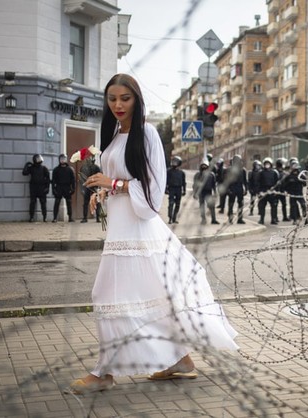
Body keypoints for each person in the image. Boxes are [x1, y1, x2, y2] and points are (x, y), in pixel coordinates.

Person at [66, 74, 237, 395]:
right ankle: (181, 361)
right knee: (151, 298)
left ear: (137, 100)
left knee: (109, 296)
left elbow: (152, 191)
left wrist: (112, 185)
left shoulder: (147, 134)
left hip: (139, 232)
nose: (117, 104)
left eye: (125, 98)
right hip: (122, 230)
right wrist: (102, 192)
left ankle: (104, 372)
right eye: (112, 98)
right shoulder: (116, 135)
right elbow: (121, 180)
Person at [22, 154, 50, 222]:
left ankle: (45, 217)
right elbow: (24, 173)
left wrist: (47, 187)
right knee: (32, 203)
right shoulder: (32, 168)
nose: (39, 160)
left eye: (39, 159)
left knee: (43, 203)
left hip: (42, 188)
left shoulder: (44, 168)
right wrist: (26, 165)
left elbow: (48, 179)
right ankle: (31, 217)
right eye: (38, 159)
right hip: (33, 188)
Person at [193, 159, 220, 225]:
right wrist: (195, 193)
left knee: (211, 206)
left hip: (209, 192)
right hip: (201, 192)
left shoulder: (211, 175)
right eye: (202, 166)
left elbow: (214, 185)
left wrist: (215, 192)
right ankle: (203, 219)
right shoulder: (198, 175)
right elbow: (195, 185)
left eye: (205, 166)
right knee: (202, 206)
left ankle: (213, 219)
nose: (204, 168)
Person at [51, 153, 75, 222]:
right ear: (59, 160)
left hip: (67, 187)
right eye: (61, 159)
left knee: (69, 202)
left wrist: (73, 188)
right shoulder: (56, 170)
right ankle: (55, 218)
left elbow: (73, 180)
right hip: (59, 187)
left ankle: (70, 217)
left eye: (64, 159)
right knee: (57, 202)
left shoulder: (70, 169)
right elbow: (53, 181)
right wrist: (53, 189)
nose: (62, 160)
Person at [256, 157, 279, 225]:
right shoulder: (261, 173)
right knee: (262, 206)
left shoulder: (274, 173)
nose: (267, 165)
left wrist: (276, 191)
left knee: (274, 206)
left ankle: (273, 219)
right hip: (263, 191)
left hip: (271, 191)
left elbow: (276, 183)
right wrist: (259, 192)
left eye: (268, 164)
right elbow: (258, 183)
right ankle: (261, 219)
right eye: (266, 164)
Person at [80, 156, 103, 223]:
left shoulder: (96, 167)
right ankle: (85, 217)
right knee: (85, 203)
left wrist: (99, 187)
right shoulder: (83, 168)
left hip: (95, 187)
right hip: (87, 187)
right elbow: (81, 178)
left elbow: (100, 177)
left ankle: (98, 217)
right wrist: (82, 188)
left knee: (97, 202)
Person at [226, 155, 248, 224]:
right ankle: (230, 218)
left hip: (239, 188)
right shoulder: (229, 170)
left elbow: (245, 181)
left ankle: (240, 218)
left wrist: (246, 189)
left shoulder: (243, 170)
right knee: (231, 204)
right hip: (232, 188)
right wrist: (228, 190)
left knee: (241, 204)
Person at [165, 156, 185, 224]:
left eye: (176, 162)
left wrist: (184, 190)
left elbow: (183, 182)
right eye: (173, 162)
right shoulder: (168, 171)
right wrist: (165, 189)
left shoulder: (181, 172)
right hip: (171, 188)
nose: (174, 163)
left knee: (177, 204)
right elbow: (165, 180)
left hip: (178, 189)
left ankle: (174, 218)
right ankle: (170, 218)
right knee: (171, 203)